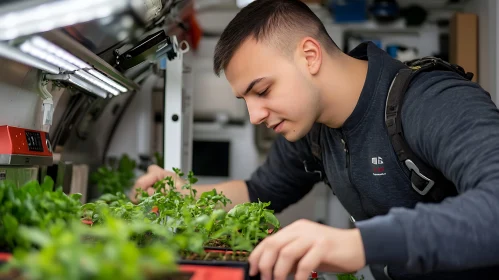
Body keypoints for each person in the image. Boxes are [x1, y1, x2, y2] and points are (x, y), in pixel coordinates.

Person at [129, 0, 499, 279]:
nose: (255, 115)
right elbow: (260, 191)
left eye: (263, 90)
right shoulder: (312, 130)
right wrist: (184, 195)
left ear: (309, 55)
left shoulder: (432, 101)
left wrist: (359, 243)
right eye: (246, 100)